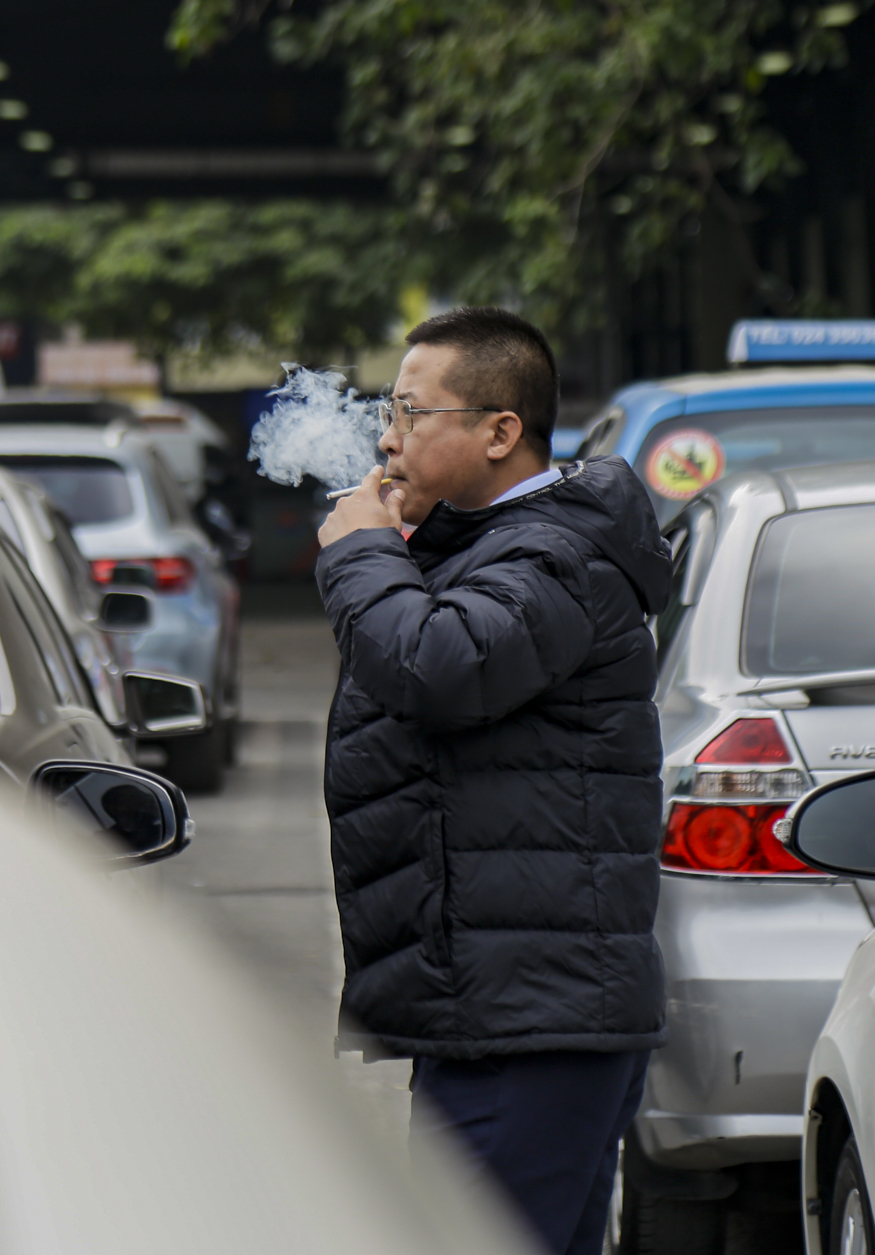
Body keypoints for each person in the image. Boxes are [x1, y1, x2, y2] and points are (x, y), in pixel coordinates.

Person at [313, 306, 673, 1255]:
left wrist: (360, 551)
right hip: (498, 1007)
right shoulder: (498, 545)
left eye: (409, 411)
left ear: (499, 430)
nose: (387, 437)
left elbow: (439, 665)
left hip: (531, 1019)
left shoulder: (555, 556)